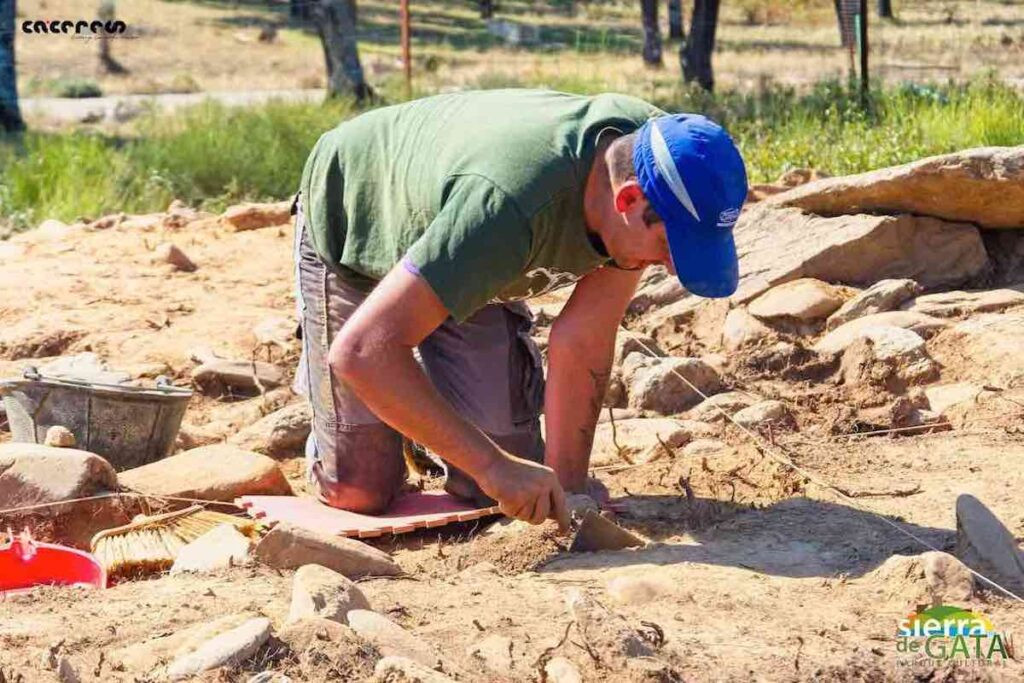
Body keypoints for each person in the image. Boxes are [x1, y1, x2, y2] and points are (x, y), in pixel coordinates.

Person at [293, 89, 747, 529]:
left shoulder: (664, 161)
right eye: (668, 246)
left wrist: (569, 494)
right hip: (358, 216)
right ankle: (348, 414)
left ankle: (417, 385)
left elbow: (584, 337)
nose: (669, 266)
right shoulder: (510, 204)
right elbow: (362, 352)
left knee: (516, 483)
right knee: (359, 489)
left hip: (467, 255)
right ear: (627, 200)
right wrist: (491, 464)